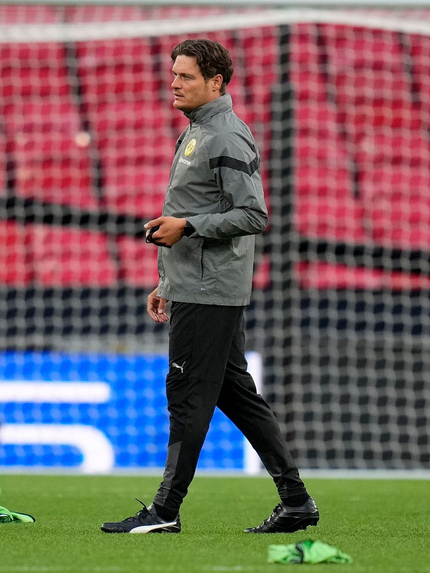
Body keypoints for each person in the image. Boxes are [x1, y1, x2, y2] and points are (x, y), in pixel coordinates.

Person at [101, 39, 318, 534]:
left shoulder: (225, 136)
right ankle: (296, 501)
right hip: (194, 284)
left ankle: (165, 511)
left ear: (216, 82)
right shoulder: (199, 131)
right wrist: (166, 279)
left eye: (186, 76)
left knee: (185, 394)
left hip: (209, 289)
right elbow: (190, 209)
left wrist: (189, 229)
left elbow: (253, 214)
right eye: (174, 74)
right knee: (237, 395)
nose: (174, 83)